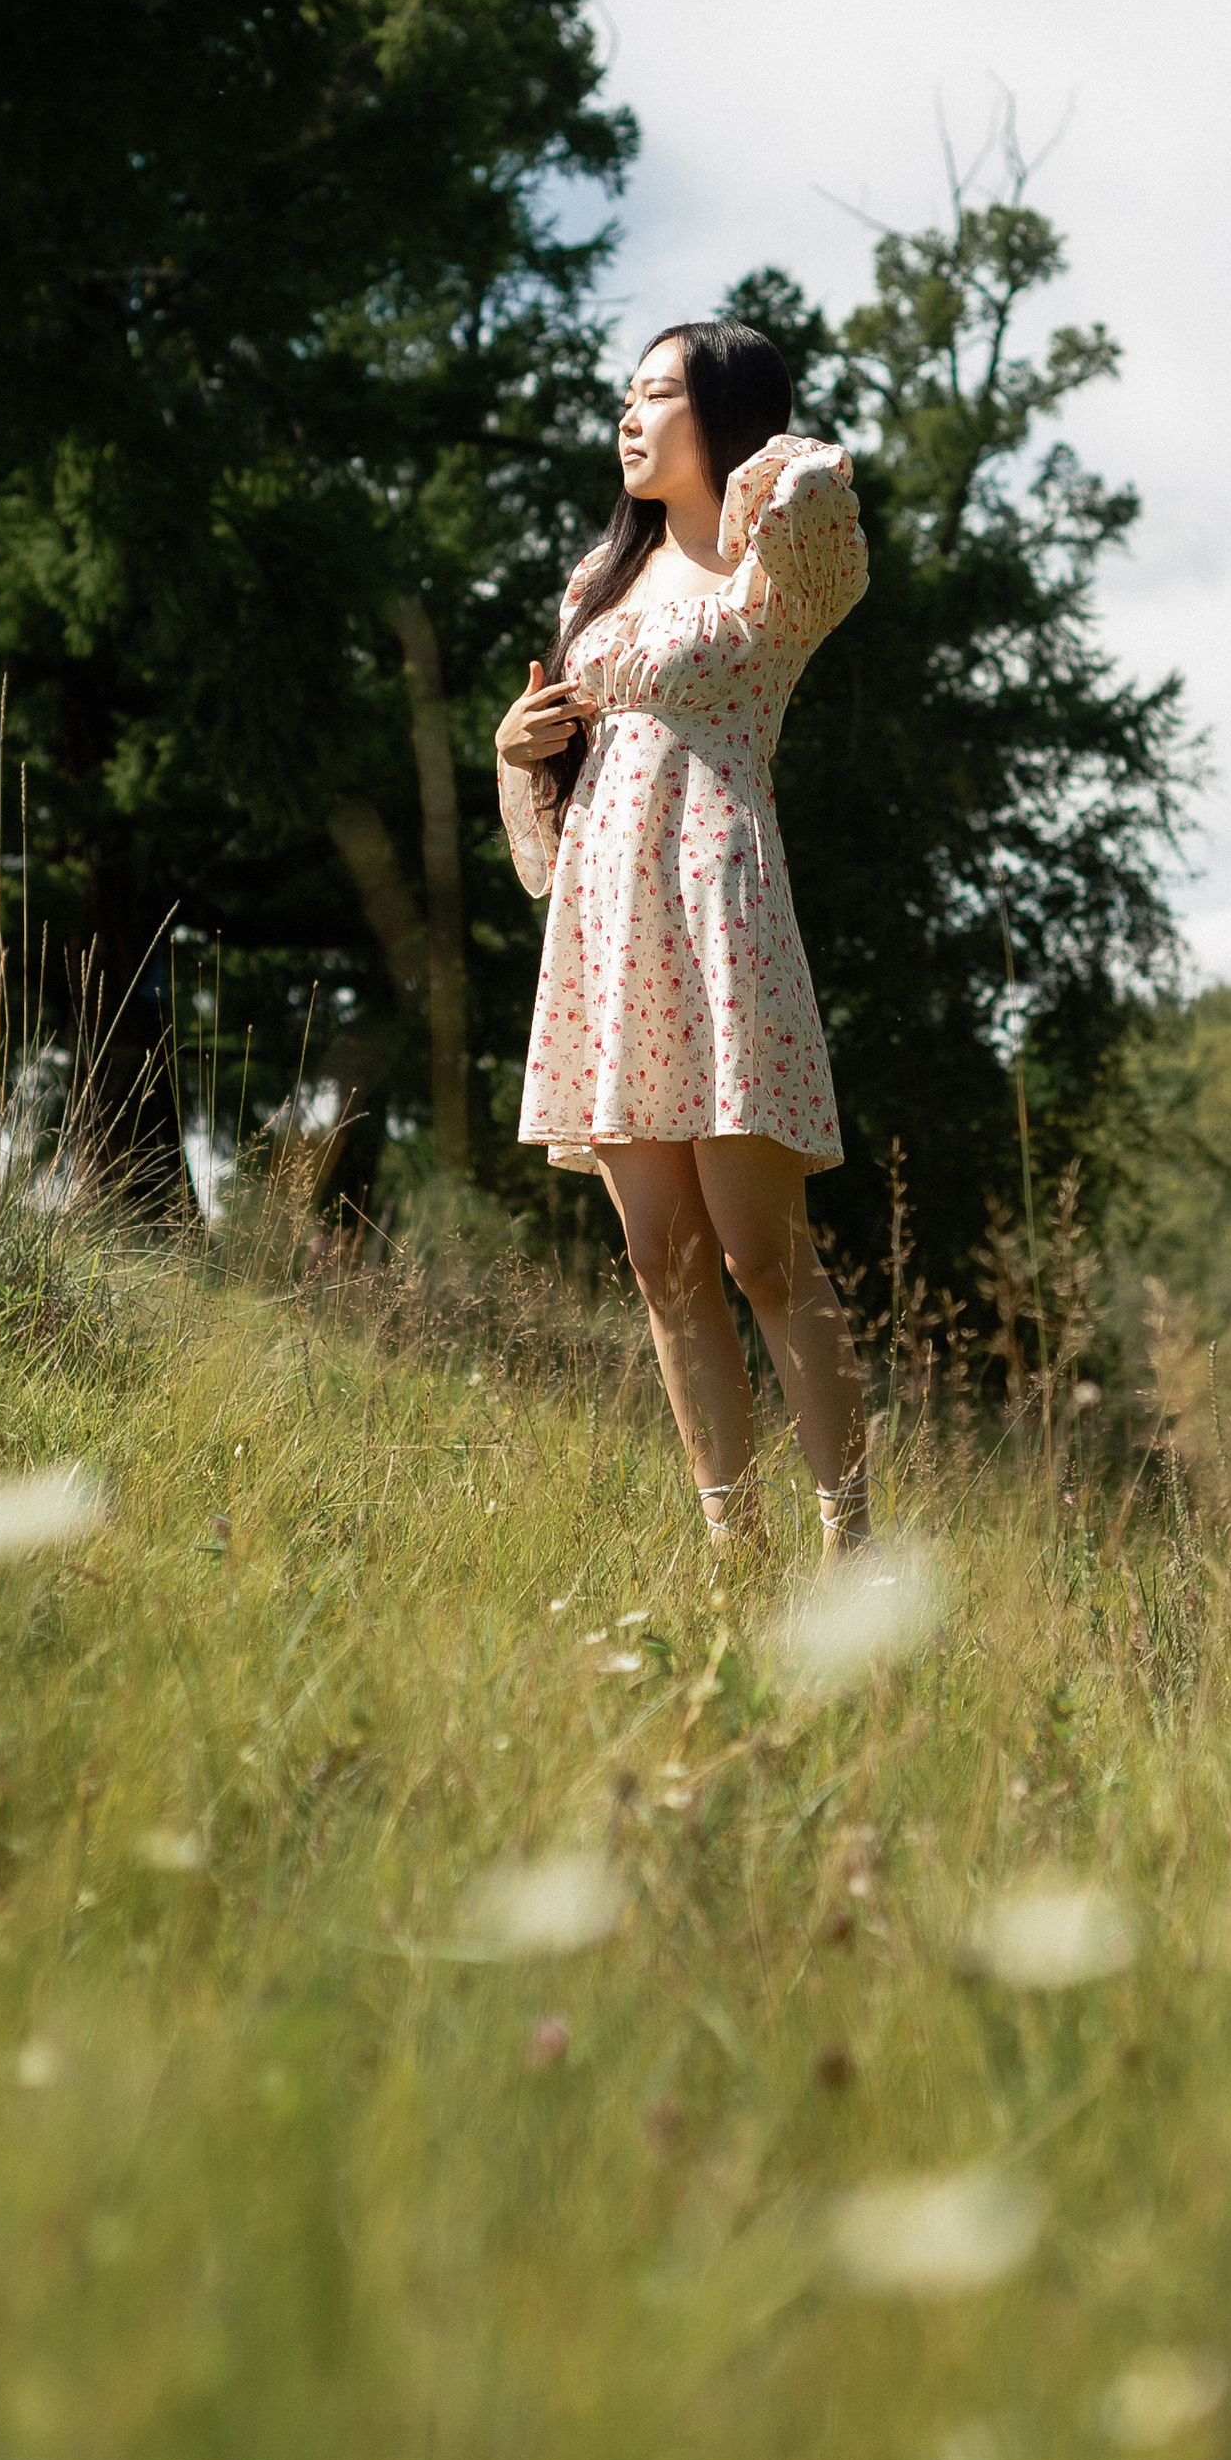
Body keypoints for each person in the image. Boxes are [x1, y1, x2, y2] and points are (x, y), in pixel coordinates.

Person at [494, 318, 874, 1559]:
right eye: (626, 393)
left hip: (720, 912)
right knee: (662, 1263)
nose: (628, 414)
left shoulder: (775, 573)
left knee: (764, 1256)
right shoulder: (593, 585)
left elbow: (820, 486)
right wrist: (516, 752)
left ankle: (846, 1542)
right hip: (609, 924)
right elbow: (552, 804)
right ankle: (733, 1550)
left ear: (720, 415)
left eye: (658, 393)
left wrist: (756, 462)